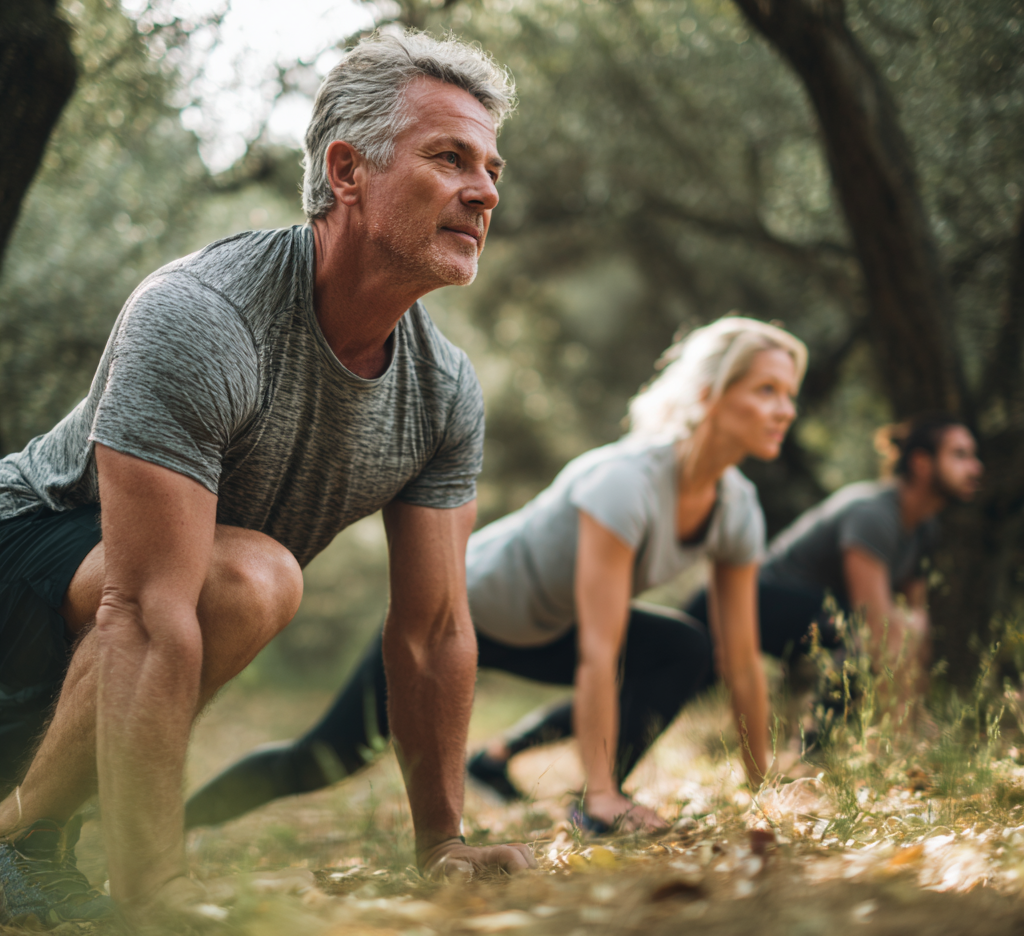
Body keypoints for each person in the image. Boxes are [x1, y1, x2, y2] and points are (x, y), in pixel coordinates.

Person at [0, 29, 538, 928]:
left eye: (491, 168)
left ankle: (19, 831)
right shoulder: (203, 316)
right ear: (346, 170)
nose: (484, 191)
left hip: (123, 615)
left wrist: (441, 842)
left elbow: (435, 629)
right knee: (247, 578)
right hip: (22, 556)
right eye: (449, 158)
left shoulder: (442, 389)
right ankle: (30, 839)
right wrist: (155, 893)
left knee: (242, 579)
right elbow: (144, 611)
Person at [184, 317, 807, 834]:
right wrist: (601, 795)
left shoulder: (737, 507)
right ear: (710, 395)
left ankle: (600, 799)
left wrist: (763, 794)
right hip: (455, 609)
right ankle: (175, 825)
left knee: (686, 647)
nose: (785, 410)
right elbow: (599, 652)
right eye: (767, 390)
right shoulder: (625, 483)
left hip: (548, 626)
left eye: (790, 394)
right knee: (326, 758)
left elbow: (743, 660)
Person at [687, 411, 983, 700]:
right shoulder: (874, 515)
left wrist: (915, 710)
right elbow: (875, 622)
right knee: (867, 632)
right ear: (921, 463)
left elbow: (916, 620)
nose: (976, 468)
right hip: (749, 601)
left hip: (811, 615)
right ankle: (819, 730)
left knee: (898, 628)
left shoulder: (924, 529)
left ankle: (820, 729)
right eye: (960, 455)